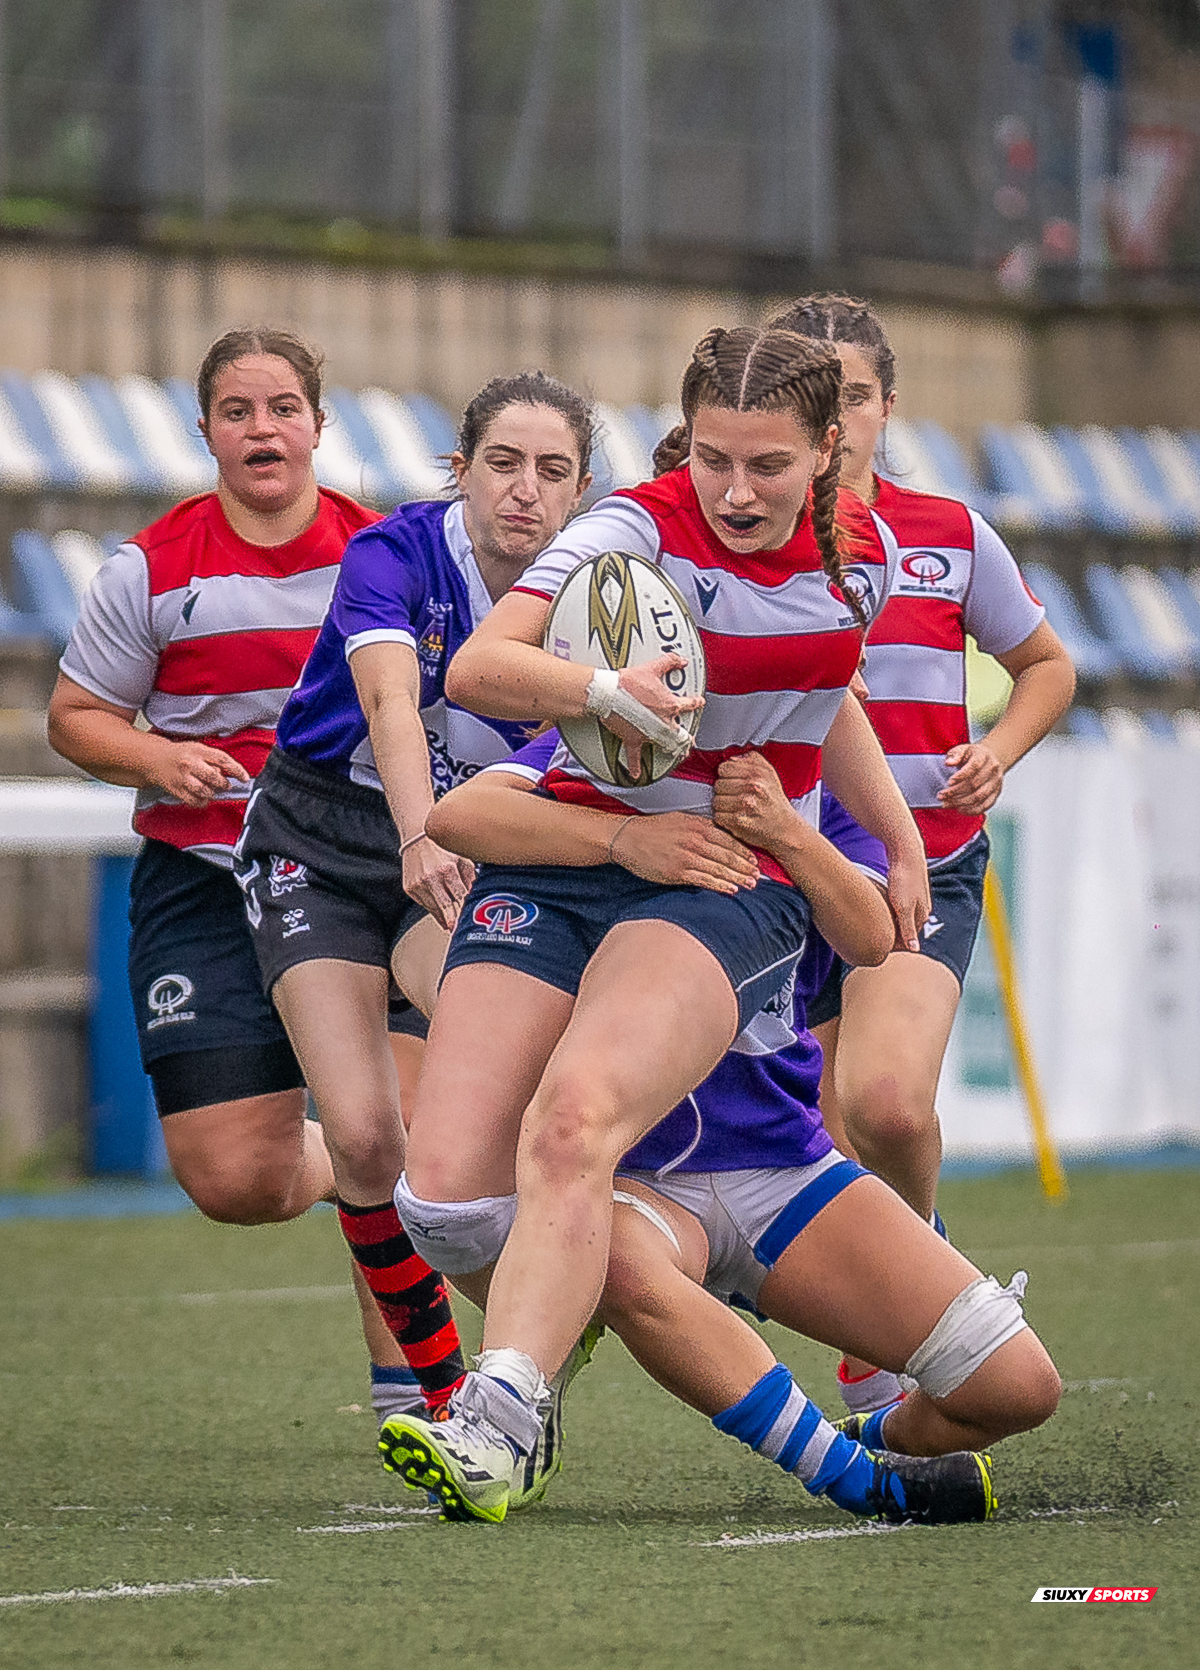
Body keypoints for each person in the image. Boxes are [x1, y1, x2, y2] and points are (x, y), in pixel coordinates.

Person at [385, 324, 934, 1523]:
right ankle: (562, 1319)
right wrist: (599, 692)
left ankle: (508, 1409)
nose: (735, 492)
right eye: (715, 461)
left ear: (829, 452)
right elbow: (478, 671)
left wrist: (892, 833)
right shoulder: (627, 526)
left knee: (574, 1120)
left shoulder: (868, 563)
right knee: (443, 1203)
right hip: (581, 850)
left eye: (769, 467)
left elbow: (824, 680)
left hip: (718, 878)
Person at [404, 731, 1061, 1523]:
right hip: (636, 1180)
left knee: (1019, 1388)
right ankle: (844, 1471)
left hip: (780, 1161)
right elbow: (462, 812)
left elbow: (875, 935)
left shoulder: (833, 798)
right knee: (588, 1247)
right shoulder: (616, 746)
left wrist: (784, 829)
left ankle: (867, 1432)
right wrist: (623, 839)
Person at [45, 327, 441, 1412]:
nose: (262, 430)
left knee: (391, 1136)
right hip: (208, 881)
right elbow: (76, 718)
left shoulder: (389, 554)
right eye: (237, 411)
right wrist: (159, 756)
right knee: (235, 1181)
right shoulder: (152, 569)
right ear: (207, 430)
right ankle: (356, 1161)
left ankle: (425, 1403)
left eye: (281, 408)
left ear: (320, 422)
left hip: (366, 877)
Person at [234, 371, 594, 1418]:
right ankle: (436, 1392)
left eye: (553, 470)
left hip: (471, 848)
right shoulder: (392, 553)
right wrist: (418, 833)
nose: (524, 489)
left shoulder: (595, 593)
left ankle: (553, 1320)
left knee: (532, 1085)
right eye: (502, 463)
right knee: (362, 1135)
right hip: (327, 839)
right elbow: (390, 697)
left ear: (581, 493)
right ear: (460, 471)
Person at [771, 294, 1075, 1413]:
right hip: (779, 867)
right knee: (819, 1122)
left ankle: (932, 1288)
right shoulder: (736, 542)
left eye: (853, 395)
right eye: (816, 397)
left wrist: (996, 750)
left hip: (920, 861)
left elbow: (1047, 665)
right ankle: (879, 1333)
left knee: (888, 1106)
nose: (837, 420)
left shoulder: (948, 534)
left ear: (888, 406)